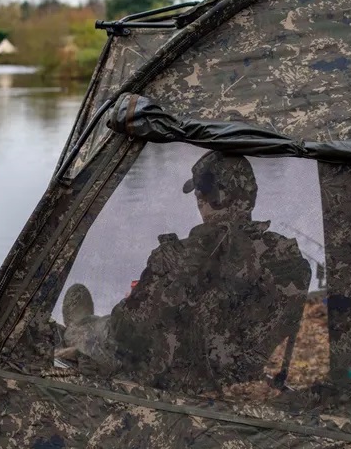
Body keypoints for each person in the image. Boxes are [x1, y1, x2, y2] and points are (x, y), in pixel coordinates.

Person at [105, 151, 312, 395]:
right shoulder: (286, 257)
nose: (198, 203)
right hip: (246, 386)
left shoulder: (176, 257)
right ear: (250, 196)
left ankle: (79, 323)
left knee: (88, 322)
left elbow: (123, 332)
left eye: (199, 196)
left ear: (209, 199)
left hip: (177, 395)